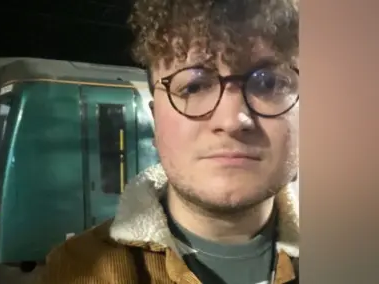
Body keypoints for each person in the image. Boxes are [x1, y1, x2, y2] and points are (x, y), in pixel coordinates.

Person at [38, 0, 299, 283]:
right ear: (155, 120)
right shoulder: (75, 272)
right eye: (194, 86)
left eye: (270, 83)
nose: (232, 120)